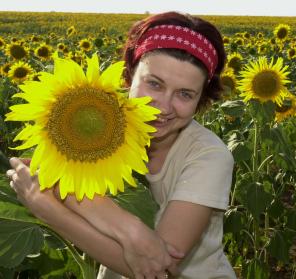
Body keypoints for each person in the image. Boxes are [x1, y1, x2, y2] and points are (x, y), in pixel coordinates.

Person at [6, 11, 236, 279]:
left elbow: (160, 268)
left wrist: (45, 206)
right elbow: (67, 179)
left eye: (185, 94)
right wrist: (129, 231)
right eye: (154, 83)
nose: (163, 106)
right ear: (129, 75)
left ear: (201, 99)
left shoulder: (209, 157)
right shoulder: (96, 126)